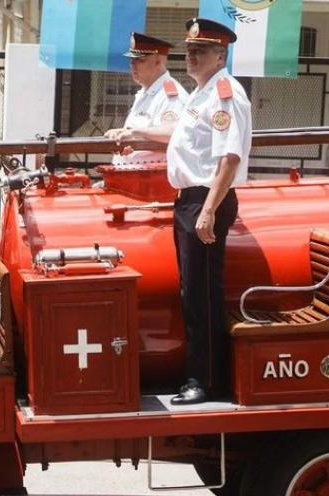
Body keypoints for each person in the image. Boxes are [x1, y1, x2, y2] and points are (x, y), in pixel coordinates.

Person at [111, 19, 251, 404]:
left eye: (201, 50)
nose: (191, 56)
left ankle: (205, 381)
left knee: (202, 295)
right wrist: (137, 138)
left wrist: (208, 211)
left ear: (220, 55)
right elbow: (181, 146)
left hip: (206, 198)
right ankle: (198, 374)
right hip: (191, 197)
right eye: (189, 50)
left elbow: (229, 158)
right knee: (192, 292)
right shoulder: (201, 93)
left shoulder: (224, 94)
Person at [105, 32, 189, 164]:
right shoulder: (146, 92)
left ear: (157, 61)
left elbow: (173, 133)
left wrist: (135, 133)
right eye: (132, 60)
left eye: (140, 60)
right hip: (132, 174)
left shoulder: (170, 95)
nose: (133, 65)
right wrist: (124, 133)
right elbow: (142, 134)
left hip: (152, 178)